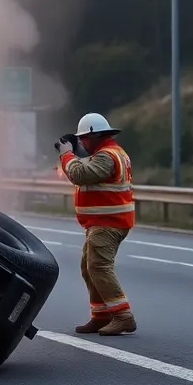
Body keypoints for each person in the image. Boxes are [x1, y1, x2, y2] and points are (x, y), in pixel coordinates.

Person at [55, 112, 136, 335]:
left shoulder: (106, 156)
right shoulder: (106, 153)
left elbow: (81, 175)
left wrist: (66, 154)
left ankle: (122, 316)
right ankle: (101, 315)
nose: (81, 142)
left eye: (83, 139)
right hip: (102, 222)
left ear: (96, 136)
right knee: (88, 267)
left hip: (109, 222)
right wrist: (71, 155)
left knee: (99, 267)